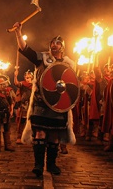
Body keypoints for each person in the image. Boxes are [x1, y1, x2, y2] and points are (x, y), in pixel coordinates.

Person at [12, 21, 76, 177]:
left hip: (57, 105)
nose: (54, 45)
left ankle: (52, 164)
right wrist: (18, 33)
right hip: (41, 103)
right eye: (52, 43)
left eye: (58, 43)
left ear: (62, 46)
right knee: (40, 134)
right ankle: (38, 165)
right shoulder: (42, 59)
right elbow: (25, 50)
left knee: (54, 136)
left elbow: (72, 86)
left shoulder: (68, 64)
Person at [14, 69, 33, 144]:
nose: (27, 79)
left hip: (32, 105)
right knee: (21, 121)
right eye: (26, 77)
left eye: (29, 77)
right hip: (24, 105)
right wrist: (15, 76)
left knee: (32, 122)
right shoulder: (23, 84)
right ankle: (19, 137)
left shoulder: (35, 85)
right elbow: (16, 83)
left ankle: (31, 137)